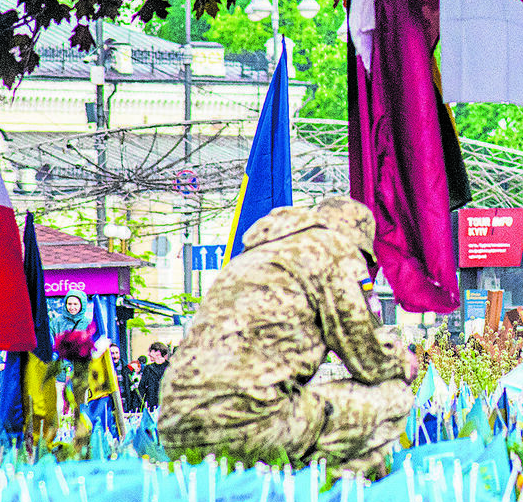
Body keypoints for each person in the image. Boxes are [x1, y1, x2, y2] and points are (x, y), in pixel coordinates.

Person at [158, 197, 418, 474]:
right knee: (395, 395)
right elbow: (369, 360)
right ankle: (336, 496)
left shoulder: (254, 256)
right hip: (246, 427)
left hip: (176, 428)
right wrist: (403, 361)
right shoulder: (334, 249)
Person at [138, 342, 169, 410]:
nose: (148, 354)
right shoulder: (148, 368)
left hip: (167, 406)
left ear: (158, 352)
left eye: (150, 351)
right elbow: (141, 388)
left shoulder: (171, 368)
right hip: (152, 406)